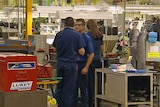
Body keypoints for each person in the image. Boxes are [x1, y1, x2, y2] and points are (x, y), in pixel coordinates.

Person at [52, 17, 86, 107]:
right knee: (69, 88)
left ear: (64, 24)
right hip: (71, 64)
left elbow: (54, 49)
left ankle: (57, 104)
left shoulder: (59, 34)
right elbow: (82, 52)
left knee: (59, 87)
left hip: (60, 63)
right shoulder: (77, 35)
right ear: (73, 25)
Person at [74, 18, 94, 107]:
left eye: (78, 25)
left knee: (84, 88)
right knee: (73, 87)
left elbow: (91, 54)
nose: (76, 27)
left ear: (83, 26)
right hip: (74, 64)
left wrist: (86, 67)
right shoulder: (74, 37)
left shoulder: (86, 38)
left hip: (82, 64)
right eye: (75, 25)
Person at [86, 19, 104, 107]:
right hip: (98, 60)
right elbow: (102, 48)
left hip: (89, 60)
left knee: (90, 81)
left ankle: (90, 101)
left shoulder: (86, 36)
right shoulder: (100, 35)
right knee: (98, 81)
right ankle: (98, 100)